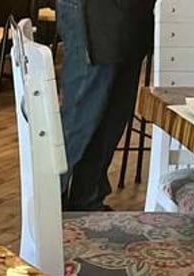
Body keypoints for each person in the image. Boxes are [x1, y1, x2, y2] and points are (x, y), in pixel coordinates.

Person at [57, 0, 156, 211]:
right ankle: (50, 208)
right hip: (94, 15)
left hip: (132, 20)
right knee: (78, 121)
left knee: (111, 121)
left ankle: (86, 203)